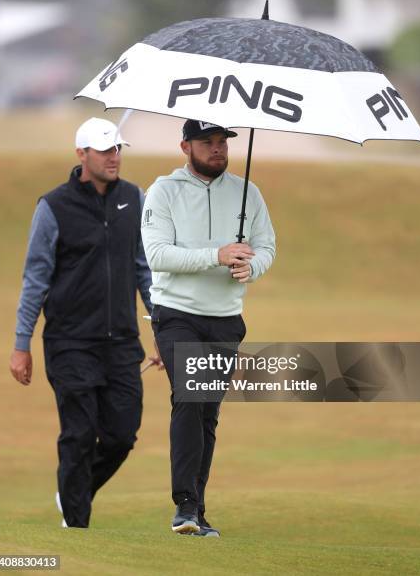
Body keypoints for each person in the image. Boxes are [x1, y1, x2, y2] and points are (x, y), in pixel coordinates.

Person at [9, 117, 161, 528]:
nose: (114, 158)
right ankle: (76, 525)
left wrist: (160, 330)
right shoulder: (53, 206)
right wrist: (21, 344)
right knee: (78, 435)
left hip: (121, 344)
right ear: (82, 155)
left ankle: (72, 491)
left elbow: (144, 270)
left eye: (117, 150)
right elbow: (35, 279)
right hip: (70, 342)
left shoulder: (134, 199)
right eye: (105, 150)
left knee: (121, 435)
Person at [141, 119, 275, 537]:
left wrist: (250, 266)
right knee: (189, 396)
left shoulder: (248, 192)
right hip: (177, 311)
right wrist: (216, 255)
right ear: (185, 146)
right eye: (207, 143)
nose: (217, 149)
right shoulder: (164, 190)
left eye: (222, 142)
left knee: (207, 413)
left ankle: (196, 511)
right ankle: (184, 506)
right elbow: (158, 254)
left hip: (225, 318)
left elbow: (267, 245)